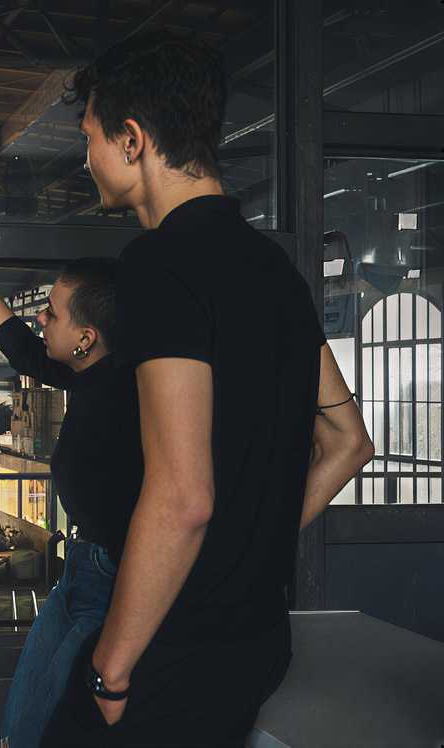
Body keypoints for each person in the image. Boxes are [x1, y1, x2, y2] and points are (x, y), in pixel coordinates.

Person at [40, 32, 374, 746]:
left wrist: (111, 669)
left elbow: (184, 497)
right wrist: (248, 552)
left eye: (89, 136)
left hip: (171, 646)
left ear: (132, 141)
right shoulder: (274, 269)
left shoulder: (158, 266)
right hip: (255, 644)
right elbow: (349, 444)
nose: (85, 156)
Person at [0, 205, 143, 748]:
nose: (41, 320)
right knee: (24, 716)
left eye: (51, 312)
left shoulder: (126, 392)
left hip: (115, 580)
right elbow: (22, 348)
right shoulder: (87, 374)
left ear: (87, 336)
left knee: (54, 720)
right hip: (79, 567)